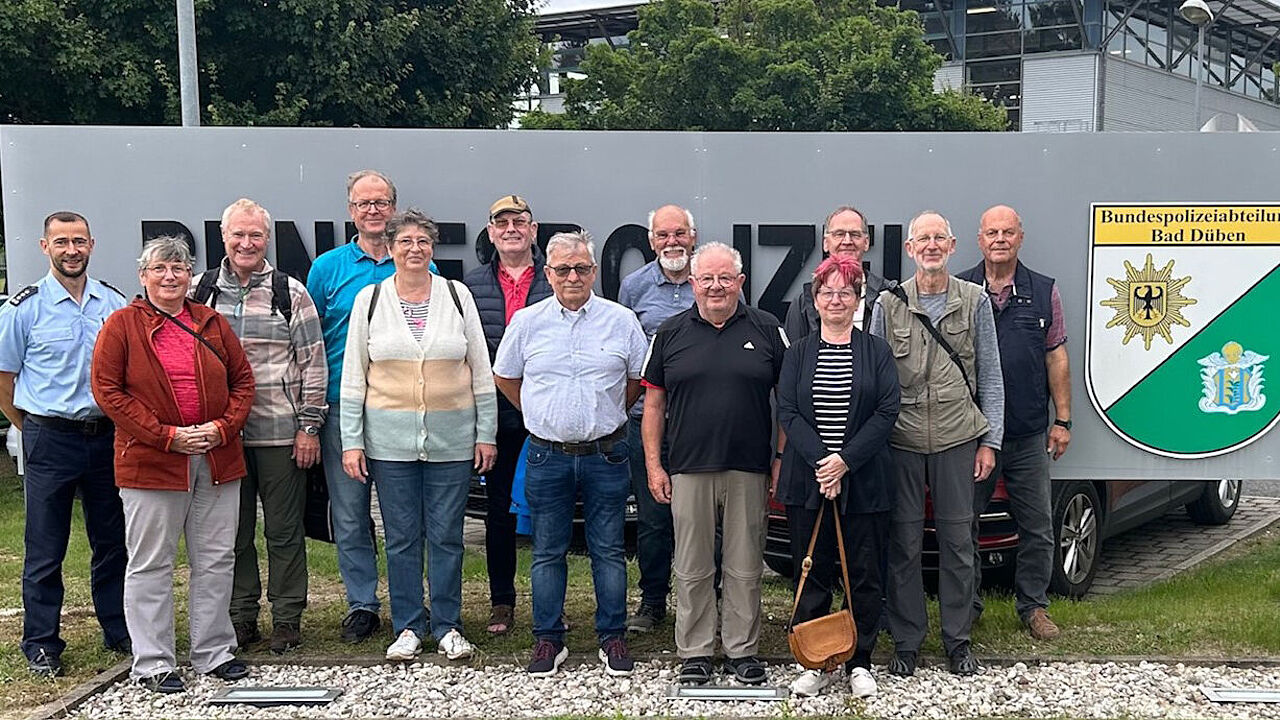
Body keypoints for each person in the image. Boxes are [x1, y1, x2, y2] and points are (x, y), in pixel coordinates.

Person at [91, 237, 256, 693]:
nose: (170, 276)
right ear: (143, 276)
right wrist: (166, 436)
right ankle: (153, 662)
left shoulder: (211, 322)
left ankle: (214, 651)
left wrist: (222, 428)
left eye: (179, 268)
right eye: (160, 268)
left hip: (217, 457)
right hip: (152, 461)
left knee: (216, 559)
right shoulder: (121, 325)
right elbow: (107, 390)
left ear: (190, 276)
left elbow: (243, 382)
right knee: (151, 563)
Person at [340, 209, 496, 662]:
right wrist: (352, 441)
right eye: (405, 241)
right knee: (401, 537)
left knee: (447, 536)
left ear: (433, 248)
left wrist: (485, 433)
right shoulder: (370, 300)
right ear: (390, 248)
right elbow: (354, 375)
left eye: (423, 241)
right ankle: (408, 625)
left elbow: (480, 370)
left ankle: (448, 625)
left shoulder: (457, 295)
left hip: (453, 441)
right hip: (389, 445)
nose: (414, 249)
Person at [492, 231, 648, 678]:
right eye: (563, 269)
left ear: (593, 271)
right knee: (547, 550)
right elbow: (505, 376)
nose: (573, 276)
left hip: (607, 452)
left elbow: (637, 378)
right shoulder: (528, 322)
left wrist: (609, 412)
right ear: (549, 274)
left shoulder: (621, 321)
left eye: (581, 268)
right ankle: (548, 638)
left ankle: (612, 636)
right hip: (548, 453)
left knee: (609, 549)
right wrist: (538, 413)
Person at [641, 242, 789, 686]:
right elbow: (653, 405)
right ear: (693, 283)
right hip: (688, 468)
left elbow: (788, 402)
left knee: (745, 565)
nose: (716, 286)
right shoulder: (669, 333)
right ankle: (696, 651)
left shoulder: (767, 328)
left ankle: (742, 650)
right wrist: (654, 465)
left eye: (725, 278)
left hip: (750, 467)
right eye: (706, 278)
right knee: (692, 566)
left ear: (740, 282)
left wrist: (781, 458)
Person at [870, 210, 1004, 677]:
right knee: (903, 543)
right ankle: (907, 641)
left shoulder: (974, 301)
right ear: (909, 249)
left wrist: (990, 441)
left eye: (939, 238)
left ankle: (958, 640)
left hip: (958, 437)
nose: (931, 246)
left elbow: (991, 375)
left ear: (952, 247)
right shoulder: (888, 305)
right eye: (922, 239)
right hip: (902, 440)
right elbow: (874, 377)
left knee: (958, 542)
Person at [191, 198, 328, 654]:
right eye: (238, 234)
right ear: (223, 237)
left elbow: (313, 363)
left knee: (284, 532)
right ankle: (240, 616)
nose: (246, 243)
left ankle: (287, 617)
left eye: (255, 235)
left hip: (279, 433)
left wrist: (309, 427)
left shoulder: (291, 292)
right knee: (232, 532)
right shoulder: (199, 291)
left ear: (267, 239)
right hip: (219, 435)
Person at [0, 211, 130, 678]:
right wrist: (32, 426)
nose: (71, 250)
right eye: (61, 242)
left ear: (91, 244)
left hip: (105, 437)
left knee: (112, 541)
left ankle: (119, 629)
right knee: (45, 545)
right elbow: (4, 380)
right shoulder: (23, 309)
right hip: (50, 438)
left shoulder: (113, 303)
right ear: (45, 247)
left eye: (79, 241)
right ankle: (41, 642)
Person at [777, 256, 900, 698]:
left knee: (863, 574)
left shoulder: (876, 351)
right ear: (815, 300)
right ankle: (814, 661)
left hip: (864, 480)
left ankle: (859, 661)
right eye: (827, 292)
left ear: (857, 300)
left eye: (845, 292)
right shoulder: (798, 352)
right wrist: (823, 463)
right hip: (808, 480)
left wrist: (844, 462)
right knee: (812, 570)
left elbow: (886, 411)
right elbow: (787, 411)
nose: (835, 300)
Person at [307, 169, 422, 643]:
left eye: (381, 202)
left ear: (393, 207)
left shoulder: (418, 264)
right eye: (363, 203)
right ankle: (362, 604)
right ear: (350, 211)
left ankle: (410, 602)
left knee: (404, 514)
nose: (373, 211)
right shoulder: (327, 269)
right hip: (343, 408)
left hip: (401, 408)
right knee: (351, 512)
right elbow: (310, 343)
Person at [957, 205, 1070, 641]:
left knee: (1037, 525)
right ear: (979, 240)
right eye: (992, 232)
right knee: (963, 523)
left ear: (1021, 237)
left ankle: (1034, 606)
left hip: (1026, 433)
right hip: (973, 435)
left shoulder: (1044, 291)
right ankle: (967, 607)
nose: (1000, 239)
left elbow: (1056, 356)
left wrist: (1063, 420)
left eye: (1008, 232)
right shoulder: (961, 289)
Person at [462, 194, 553, 637]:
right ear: (491, 232)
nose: (511, 229)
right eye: (502, 223)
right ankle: (502, 601)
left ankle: (550, 602)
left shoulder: (556, 278)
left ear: (533, 230)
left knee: (550, 509)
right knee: (499, 511)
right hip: (495, 415)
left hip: (546, 413)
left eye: (520, 221)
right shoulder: (470, 286)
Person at [616, 203, 697, 633]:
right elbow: (627, 352)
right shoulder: (633, 287)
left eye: (679, 233)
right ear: (651, 241)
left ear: (693, 237)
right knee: (652, 516)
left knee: (703, 517)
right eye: (663, 235)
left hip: (699, 421)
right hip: (646, 421)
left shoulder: (712, 279)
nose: (672, 242)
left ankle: (703, 598)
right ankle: (652, 601)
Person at [783, 206, 888, 342]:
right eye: (839, 234)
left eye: (855, 234)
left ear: (866, 242)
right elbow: (793, 352)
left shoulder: (886, 298)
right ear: (826, 243)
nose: (847, 241)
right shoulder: (803, 303)